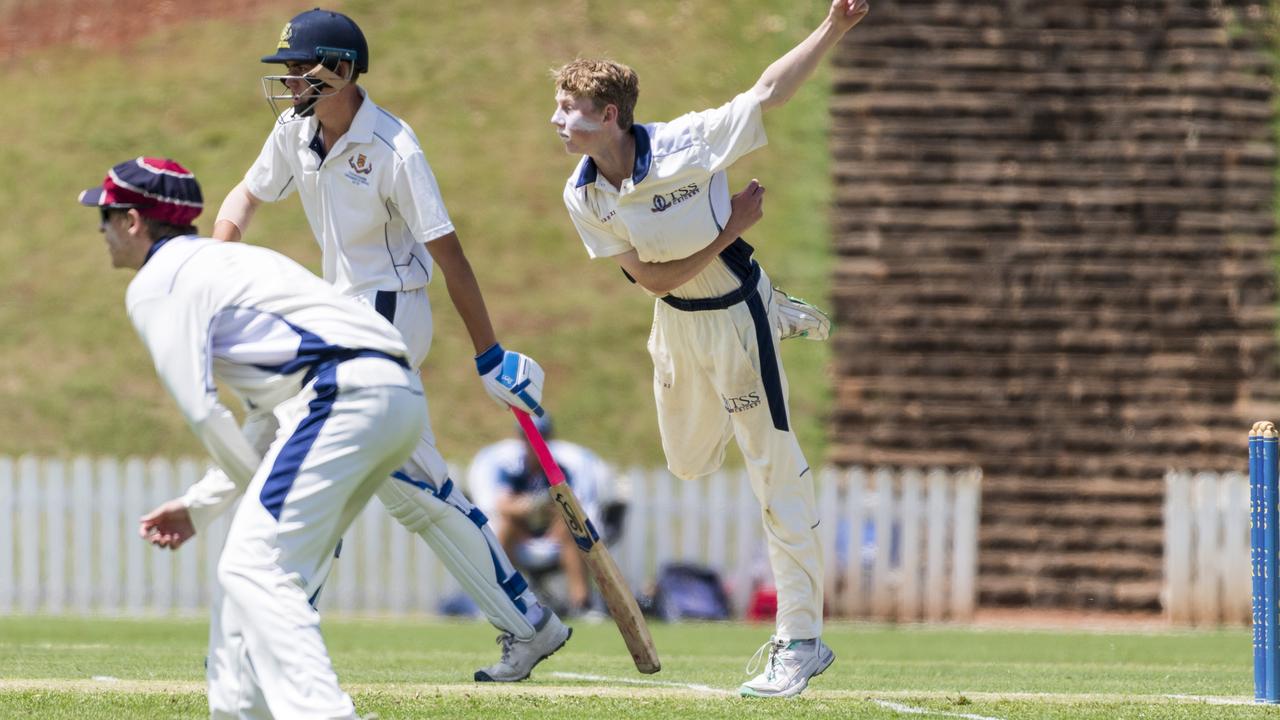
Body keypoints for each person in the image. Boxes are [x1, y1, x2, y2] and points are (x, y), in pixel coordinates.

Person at [210, 8, 568, 682]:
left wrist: (488, 352)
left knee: (311, 449)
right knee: (412, 488)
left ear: (341, 71)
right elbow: (248, 193)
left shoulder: (396, 148)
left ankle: (280, 636)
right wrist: (216, 256)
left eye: (299, 69)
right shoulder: (294, 130)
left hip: (390, 314)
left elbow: (450, 253)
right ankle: (529, 622)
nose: (288, 83)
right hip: (340, 316)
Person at [550, 0, 870, 698]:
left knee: (773, 472)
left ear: (610, 116)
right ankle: (775, 300)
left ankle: (801, 641)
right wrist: (732, 229)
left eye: (570, 106)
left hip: (736, 315)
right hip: (675, 320)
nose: (557, 119)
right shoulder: (583, 196)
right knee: (689, 464)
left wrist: (834, 27)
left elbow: (766, 93)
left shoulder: (689, 142)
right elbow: (654, 279)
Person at [79, 157, 427, 719]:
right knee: (251, 572)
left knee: (253, 566)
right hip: (395, 395)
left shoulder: (157, 284)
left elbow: (201, 410)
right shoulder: (234, 263)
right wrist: (203, 504)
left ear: (134, 221)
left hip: (343, 394)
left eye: (105, 215)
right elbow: (267, 416)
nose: (101, 230)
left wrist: (250, 490)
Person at [466, 414, 614, 616]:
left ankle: (582, 603)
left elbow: (572, 506)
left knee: (571, 530)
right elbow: (503, 505)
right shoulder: (513, 470)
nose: (534, 443)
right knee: (506, 524)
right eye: (528, 437)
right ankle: (498, 601)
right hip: (521, 531)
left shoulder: (560, 470)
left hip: (555, 533)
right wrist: (533, 506)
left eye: (540, 437)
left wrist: (548, 514)